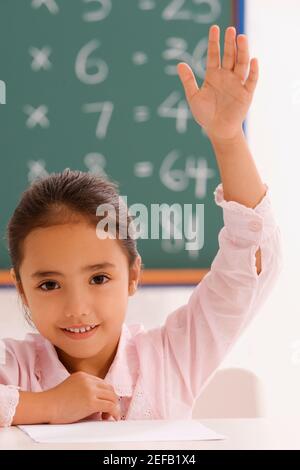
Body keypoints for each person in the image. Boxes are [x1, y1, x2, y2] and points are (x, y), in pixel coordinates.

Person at [0, 25, 282, 426]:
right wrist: (45, 406)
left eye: (99, 278)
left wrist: (227, 138)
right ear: (23, 290)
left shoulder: (173, 355)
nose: (77, 308)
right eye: (48, 284)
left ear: (133, 274)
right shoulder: (14, 367)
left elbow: (252, 265)